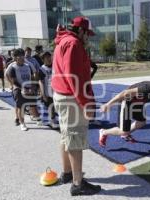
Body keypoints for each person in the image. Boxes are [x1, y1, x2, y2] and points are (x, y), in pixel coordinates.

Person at [51, 16, 101, 196]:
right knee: (75, 139)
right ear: (80, 31)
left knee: (66, 137)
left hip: (62, 95)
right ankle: (77, 184)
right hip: (71, 97)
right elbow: (74, 77)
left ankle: (67, 173)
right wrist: (86, 103)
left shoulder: (62, 41)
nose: (88, 37)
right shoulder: (73, 43)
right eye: (87, 33)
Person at [99, 76, 150, 147]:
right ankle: (104, 132)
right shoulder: (148, 88)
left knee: (141, 122)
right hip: (127, 101)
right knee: (123, 131)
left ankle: (126, 134)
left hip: (138, 103)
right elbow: (124, 93)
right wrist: (108, 104)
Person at [9, 48, 35, 131]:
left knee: (33, 104)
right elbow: (14, 81)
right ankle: (22, 123)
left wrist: (32, 86)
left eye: (23, 56)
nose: (22, 57)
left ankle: (36, 117)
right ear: (16, 57)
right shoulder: (13, 68)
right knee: (21, 107)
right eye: (20, 56)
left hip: (29, 89)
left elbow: (31, 77)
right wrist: (22, 88)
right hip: (18, 89)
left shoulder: (28, 66)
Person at [39, 51, 56, 128]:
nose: (49, 59)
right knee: (50, 106)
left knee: (55, 106)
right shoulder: (42, 69)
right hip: (48, 91)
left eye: (49, 57)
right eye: (46, 58)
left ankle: (54, 119)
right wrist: (43, 94)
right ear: (43, 60)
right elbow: (41, 82)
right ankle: (51, 121)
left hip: (56, 90)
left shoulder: (55, 66)